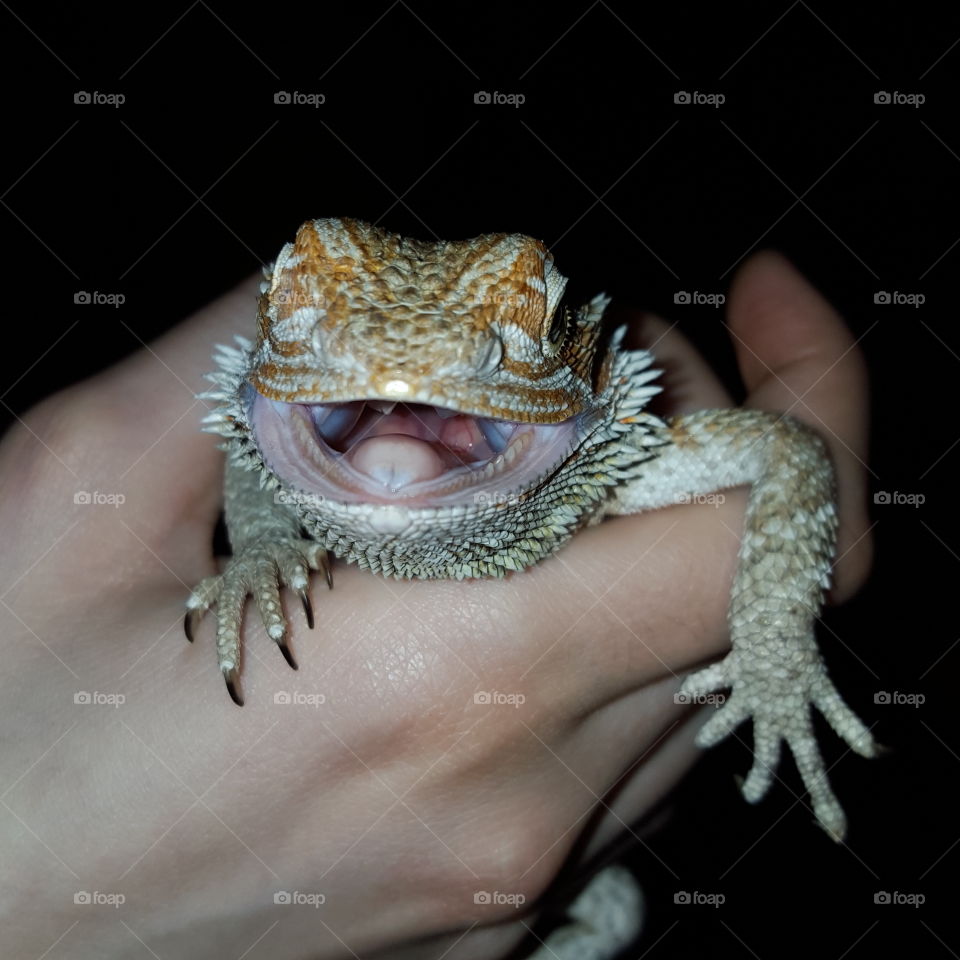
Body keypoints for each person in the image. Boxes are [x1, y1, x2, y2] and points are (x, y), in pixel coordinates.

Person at [0, 251, 871, 959]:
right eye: (311, 319)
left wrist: (771, 637)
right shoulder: (265, 431)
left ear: (586, 370)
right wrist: (266, 544)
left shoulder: (630, 458)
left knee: (611, 915)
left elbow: (783, 452)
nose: (403, 381)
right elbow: (246, 450)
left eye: (513, 334)